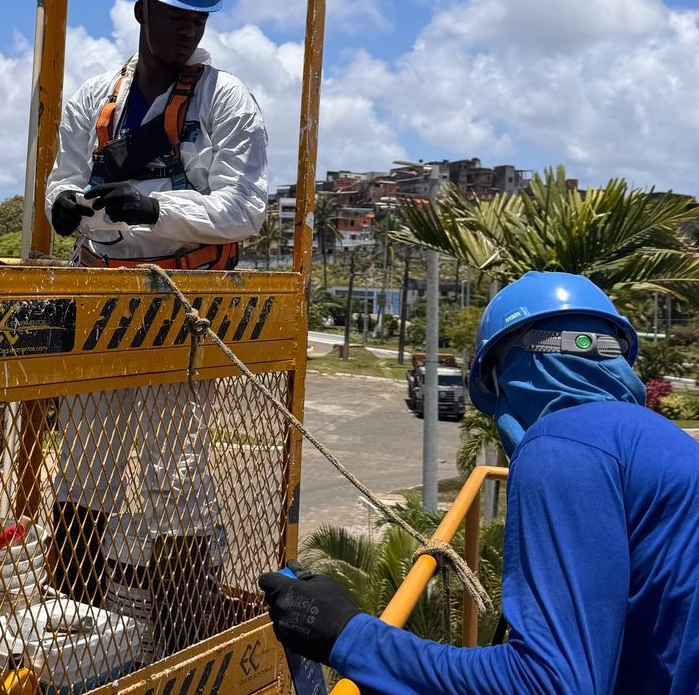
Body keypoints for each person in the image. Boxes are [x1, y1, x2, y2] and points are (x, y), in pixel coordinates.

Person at [259, 271, 699, 695]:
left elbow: (552, 684)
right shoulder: (662, 440)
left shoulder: (563, 443)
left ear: (501, 377)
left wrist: (347, 636)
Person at [44, 0, 269, 655]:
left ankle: (180, 639)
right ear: (141, 7)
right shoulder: (94, 99)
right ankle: (69, 631)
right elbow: (63, 176)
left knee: (176, 476)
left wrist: (155, 210)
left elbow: (243, 211)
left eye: (197, 18)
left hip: (182, 309)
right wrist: (62, 205)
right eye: (174, 14)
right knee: (84, 468)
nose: (186, 30)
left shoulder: (225, 101)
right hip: (101, 303)